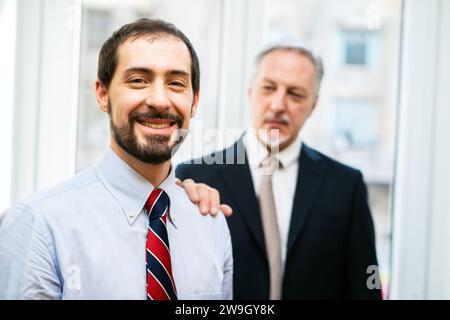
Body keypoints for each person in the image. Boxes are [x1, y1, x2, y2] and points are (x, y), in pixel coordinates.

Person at [0, 18, 232, 300]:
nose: (159, 100)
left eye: (176, 83)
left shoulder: (211, 223)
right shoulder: (39, 225)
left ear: (193, 102)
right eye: (138, 81)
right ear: (102, 94)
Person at [176, 39, 382, 299]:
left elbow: (367, 282)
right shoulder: (194, 177)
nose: (277, 105)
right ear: (251, 92)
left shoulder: (345, 185)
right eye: (268, 88)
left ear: (313, 105)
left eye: (295, 94)